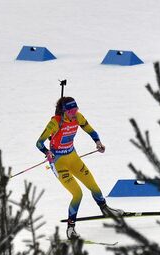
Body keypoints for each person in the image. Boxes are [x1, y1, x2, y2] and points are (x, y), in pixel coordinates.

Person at [36, 96, 123, 239]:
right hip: (58, 163)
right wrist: (47, 152)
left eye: (76, 109)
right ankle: (71, 229)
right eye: (71, 111)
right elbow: (39, 143)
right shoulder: (55, 122)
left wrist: (98, 142)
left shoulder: (78, 117)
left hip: (73, 158)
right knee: (77, 194)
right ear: (64, 111)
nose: (74, 113)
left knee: (93, 186)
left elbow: (91, 130)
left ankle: (105, 209)